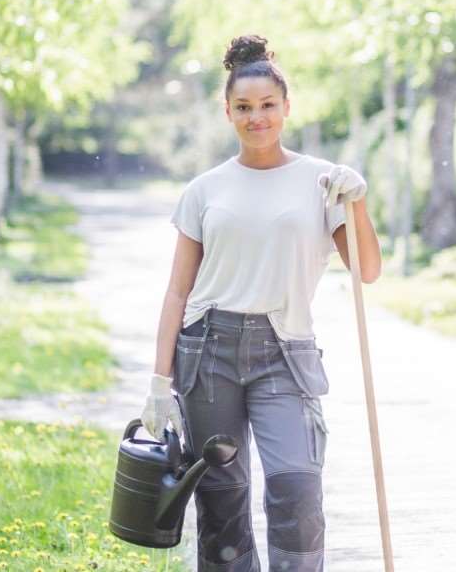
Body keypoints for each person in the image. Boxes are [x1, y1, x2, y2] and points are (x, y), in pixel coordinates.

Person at [141, 34, 382, 571]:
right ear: (227, 112)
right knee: (222, 500)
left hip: (284, 352)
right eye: (244, 108)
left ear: (287, 107)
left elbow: (366, 270)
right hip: (208, 354)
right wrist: (159, 383)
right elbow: (179, 289)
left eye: (268, 106)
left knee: (297, 490)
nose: (257, 118)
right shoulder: (204, 190)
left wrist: (358, 203)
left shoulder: (322, 182)